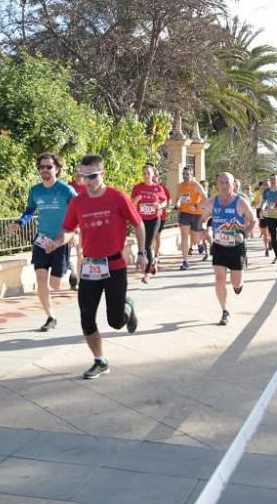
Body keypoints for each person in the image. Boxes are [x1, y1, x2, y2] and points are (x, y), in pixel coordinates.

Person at [47, 154, 144, 379]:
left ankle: (126, 308)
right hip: (90, 266)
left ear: (103, 174)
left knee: (115, 321)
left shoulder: (117, 197)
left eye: (92, 176)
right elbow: (69, 228)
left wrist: (142, 253)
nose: (87, 181)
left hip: (114, 265)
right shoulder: (77, 202)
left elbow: (138, 224)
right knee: (86, 317)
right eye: (84, 176)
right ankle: (100, 360)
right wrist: (58, 241)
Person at [9, 153, 77, 331]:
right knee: (40, 279)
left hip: (60, 240)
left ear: (57, 169)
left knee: (54, 284)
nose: (45, 170)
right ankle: (50, 316)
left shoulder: (66, 190)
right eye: (42, 167)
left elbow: (78, 210)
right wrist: (20, 223)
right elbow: (30, 210)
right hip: (42, 240)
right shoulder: (35, 190)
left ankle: (69, 265)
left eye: (49, 166)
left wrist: (75, 232)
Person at [209, 172, 256, 326]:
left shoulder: (240, 202)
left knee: (236, 283)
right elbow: (201, 220)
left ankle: (239, 283)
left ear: (233, 184)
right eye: (221, 182)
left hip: (236, 247)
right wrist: (203, 231)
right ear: (217, 184)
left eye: (227, 182)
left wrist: (244, 233)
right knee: (219, 279)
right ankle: (224, 311)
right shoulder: (212, 202)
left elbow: (253, 220)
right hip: (219, 245)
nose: (224, 185)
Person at [131, 163, 169, 284]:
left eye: (148, 173)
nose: (146, 175)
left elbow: (164, 202)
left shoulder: (158, 188)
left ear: (153, 174)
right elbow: (132, 203)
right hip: (141, 220)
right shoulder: (137, 187)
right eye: (144, 173)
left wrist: (160, 205)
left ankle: (146, 274)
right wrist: (136, 200)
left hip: (154, 219)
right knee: (142, 244)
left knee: (147, 245)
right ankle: (151, 263)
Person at [175, 167, 208, 270]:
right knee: (184, 236)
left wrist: (196, 206)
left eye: (187, 174)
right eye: (184, 174)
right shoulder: (180, 186)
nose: (185, 176)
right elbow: (179, 198)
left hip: (196, 214)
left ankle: (201, 242)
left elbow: (206, 198)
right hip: (184, 213)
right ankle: (185, 261)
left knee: (195, 238)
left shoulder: (196, 185)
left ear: (191, 174)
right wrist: (177, 205)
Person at [260, 175, 277, 263]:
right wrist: (262, 208)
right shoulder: (266, 191)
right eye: (271, 179)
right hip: (271, 215)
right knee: (273, 236)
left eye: (275, 179)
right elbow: (264, 201)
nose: (273, 181)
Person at [152, 168, 170, 264]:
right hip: (148, 216)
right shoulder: (145, 186)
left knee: (157, 236)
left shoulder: (162, 187)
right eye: (153, 174)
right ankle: (151, 255)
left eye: (155, 174)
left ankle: (156, 254)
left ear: (158, 176)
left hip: (160, 216)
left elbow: (168, 200)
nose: (154, 176)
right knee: (150, 236)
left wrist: (165, 207)